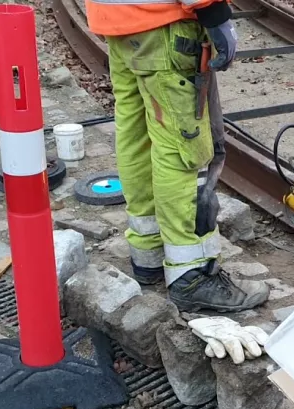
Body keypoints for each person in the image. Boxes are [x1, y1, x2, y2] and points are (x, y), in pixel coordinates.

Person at [85, 0, 269, 312]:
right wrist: (213, 12)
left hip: (116, 21)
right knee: (183, 149)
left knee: (137, 138)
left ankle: (148, 254)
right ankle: (192, 274)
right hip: (164, 27)